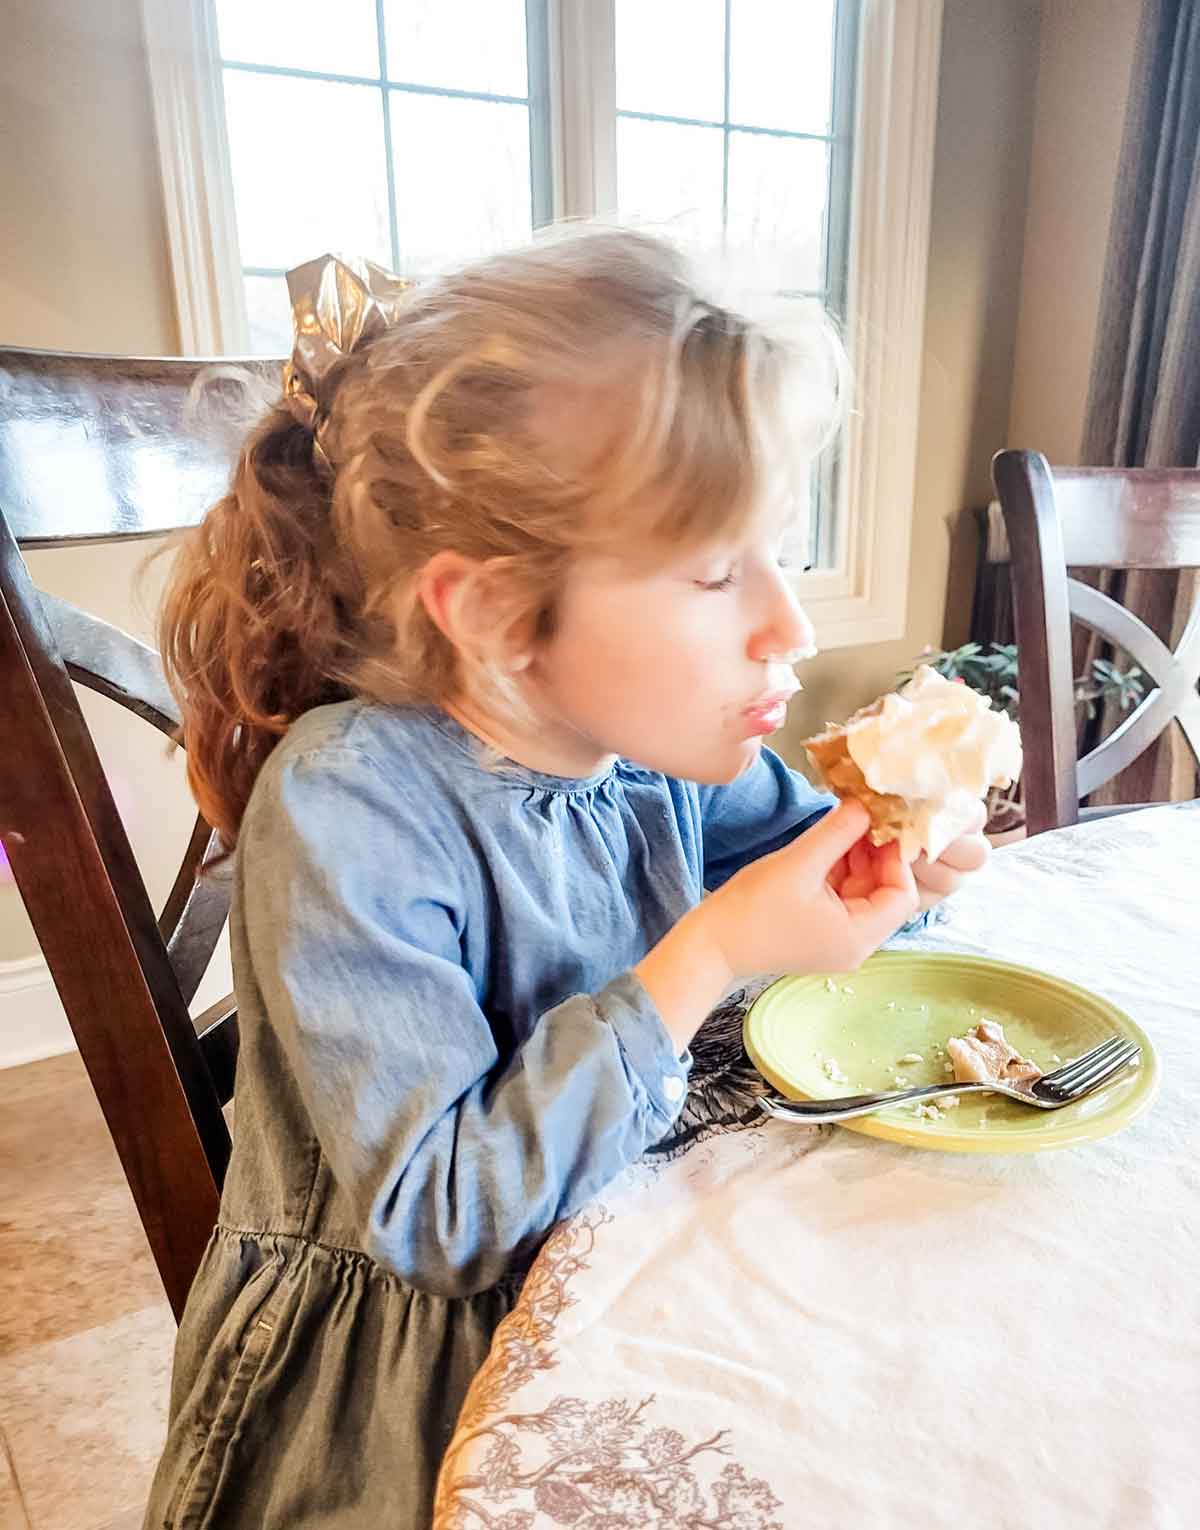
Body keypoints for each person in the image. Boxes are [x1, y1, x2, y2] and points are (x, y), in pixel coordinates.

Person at [144, 228, 987, 1529]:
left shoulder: (661, 754)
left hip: (623, 1260)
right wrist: (704, 952)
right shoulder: (350, 801)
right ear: (489, 615)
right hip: (411, 1392)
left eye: (777, 549)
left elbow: (813, 880)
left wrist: (895, 862)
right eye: (715, 571)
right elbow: (440, 1216)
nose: (791, 626)